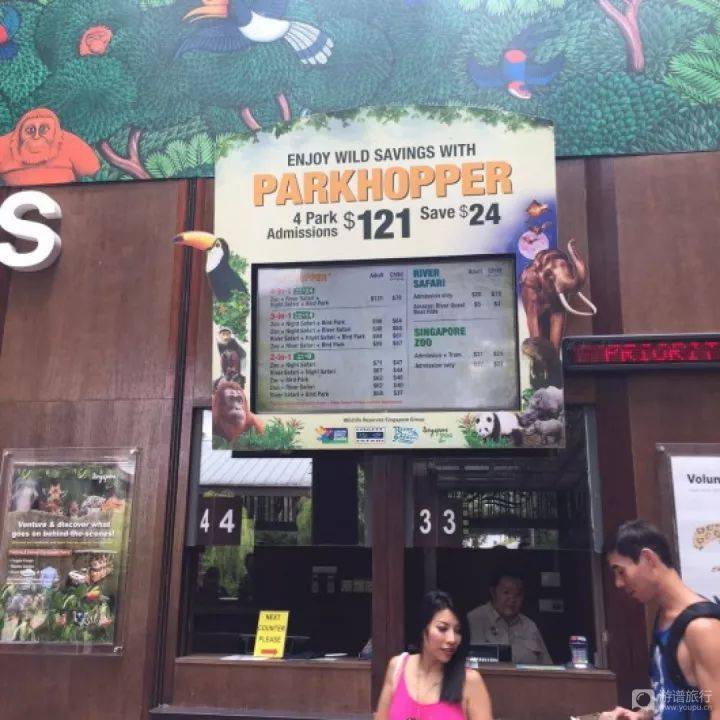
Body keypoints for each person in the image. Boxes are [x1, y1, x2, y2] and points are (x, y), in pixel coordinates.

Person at [603, 520, 720, 720]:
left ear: (648, 559)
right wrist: (640, 715)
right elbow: (677, 695)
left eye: (621, 571)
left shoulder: (702, 628)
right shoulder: (666, 618)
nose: (618, 583)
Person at [375, 590, 492, 720]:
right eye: (442, 629)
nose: (452, 639)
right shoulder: (397, 667)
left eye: (458, 631)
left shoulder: (470, 681)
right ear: (423, 629)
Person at [467, 570, 552, 664]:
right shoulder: (473, 620)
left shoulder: (529, 626)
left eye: (518, 594)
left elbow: (548, 667)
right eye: (506, 592)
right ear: (493, 592)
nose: (512, 599)